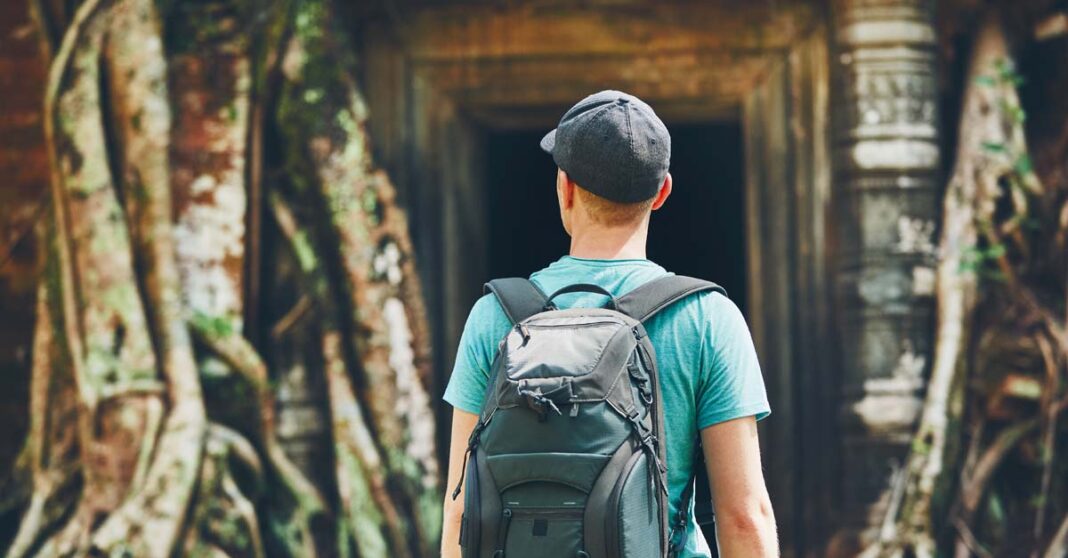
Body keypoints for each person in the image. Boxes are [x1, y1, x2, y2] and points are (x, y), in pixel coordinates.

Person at [440, 90, 778, 557]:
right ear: (662, 193)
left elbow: (461, 508)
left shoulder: (494, 316)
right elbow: (743, 514)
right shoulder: (708, 318)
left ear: (565, 187)